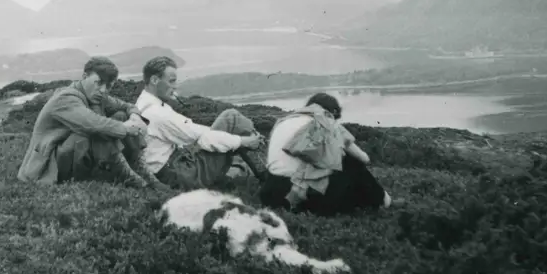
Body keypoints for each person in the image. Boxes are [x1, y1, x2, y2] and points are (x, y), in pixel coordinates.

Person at [15, 56, 167, 190]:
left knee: (120, 115)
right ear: (84, 76)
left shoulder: (96, 96)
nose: (103, 90)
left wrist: (135, 117)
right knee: (97, 130)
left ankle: (139, 168)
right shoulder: (66, 98)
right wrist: (126, 128)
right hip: (48, 166)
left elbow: (126, 106)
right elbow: (93, 124)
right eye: (98, 83)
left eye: (108, 86)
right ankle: (129, 176)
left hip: (71, 157)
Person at [134, 55, 269, 191]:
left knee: (228, 126)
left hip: (171, 168)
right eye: (171, 81)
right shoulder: (157, 113)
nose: (175, 87)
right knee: (231, 117)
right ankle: (268, 178)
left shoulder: (144, 103)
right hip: (179, 174)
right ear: (154, 80)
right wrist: (245, 141)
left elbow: (192, 132)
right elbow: (204, 138)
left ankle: (259, 169)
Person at [259, 92, 391, 215]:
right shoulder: (325, 121)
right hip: (305, 199)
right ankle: (383, 200)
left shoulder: (283, 122)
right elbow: (364, 158)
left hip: (272, 195)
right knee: (351, 162)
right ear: (331, 111)